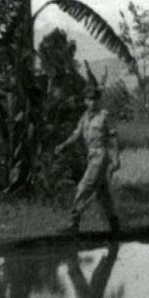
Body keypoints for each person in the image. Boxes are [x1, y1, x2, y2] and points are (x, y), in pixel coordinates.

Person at [55, 85, 121, 232]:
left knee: (84, 186)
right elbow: (77, 134)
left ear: (99, 100)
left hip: (100, 154)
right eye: (89, 99)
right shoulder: (85, 117)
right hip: (91, 155)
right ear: (85, 101)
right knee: (103, 192)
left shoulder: (104, 116)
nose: (92, 102)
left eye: (95, 99)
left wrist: (116, 159)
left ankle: (73, 222)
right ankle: (114, 224)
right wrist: (64, 145)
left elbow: (113, 138)